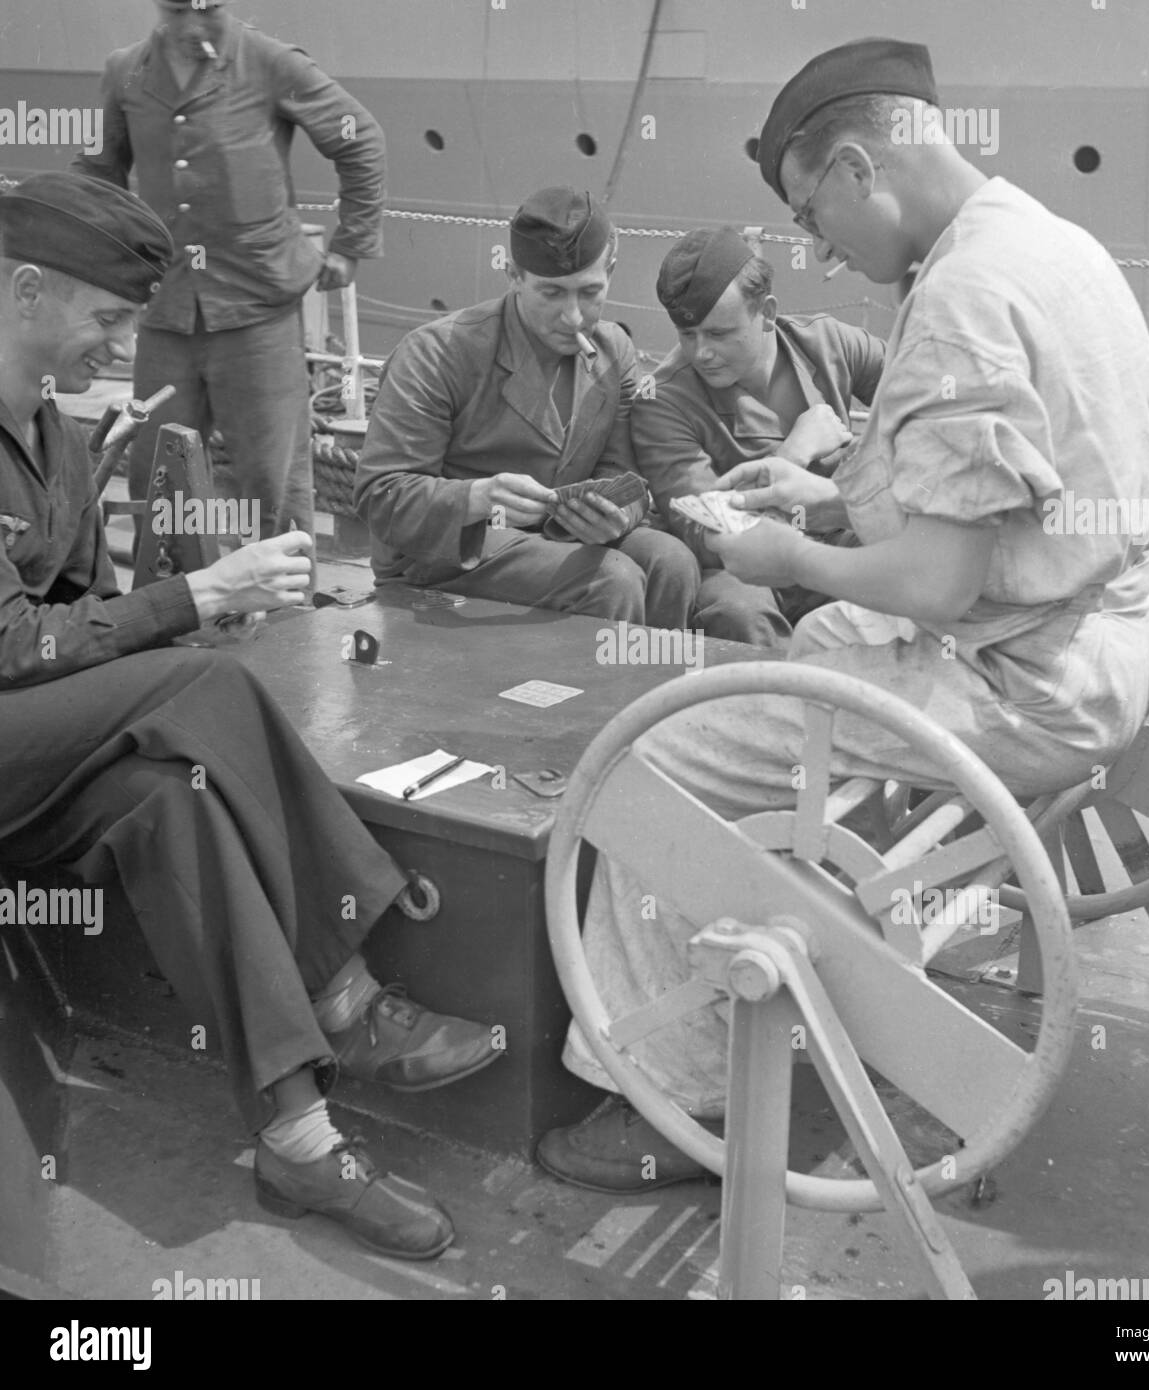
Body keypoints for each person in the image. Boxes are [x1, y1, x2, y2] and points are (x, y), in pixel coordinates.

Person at [536, 37, 1149, 1190]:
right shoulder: (1050, 244)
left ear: (851, 166)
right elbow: (1031, 490)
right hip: (1108, 643)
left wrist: (789, 550)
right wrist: (830, 495)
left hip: (1019, 687)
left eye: (812, 215)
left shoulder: (959, 299)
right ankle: (830, 920)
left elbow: (936, 583)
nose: (819, 250)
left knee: (653, 757)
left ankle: (659, 1098)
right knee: (821, 645)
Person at [0, 172, 494, 1260]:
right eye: (109, 318)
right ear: (28, 289)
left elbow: (75, 616)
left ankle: (298, 1135)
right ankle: (348, 990)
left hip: (31, 764)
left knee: (168, 797)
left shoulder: (55, 436)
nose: (123, 348)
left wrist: (172, 627)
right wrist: (197, 599)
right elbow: (11, 645)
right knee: (208, 691)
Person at [72, 0, 386, 556]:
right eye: (179, 10)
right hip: (168, 309)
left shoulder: (271, 63)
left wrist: (351, 245)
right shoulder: (126, 71)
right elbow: (99, 173)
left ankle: (287, 620)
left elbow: (359, 137)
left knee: (274, 484)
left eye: (207, 9)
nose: (194, 24)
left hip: (259, 308)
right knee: (155, 475)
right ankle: (167, 604)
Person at [353, 187, 698, 630]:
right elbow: (379, 496)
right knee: (610, 580)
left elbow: (620, 473)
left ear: (611, 271)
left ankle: (656, 696)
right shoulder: (436, 353)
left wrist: (615, 517)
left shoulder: (615, 352)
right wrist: (476, 497)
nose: (573, 316)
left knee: (672, 563)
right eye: (551, 294)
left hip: (552, 541)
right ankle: (599, 700)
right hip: (443, 556)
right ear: (513, 275)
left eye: (589, 292)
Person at [633, 226, 885, 646]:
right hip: (742, 571)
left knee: (913, 563)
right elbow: (706, 534)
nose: (701, 353)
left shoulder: (832, 344)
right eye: (686, 335)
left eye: (718, 333)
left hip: (834, 547)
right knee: (739, 613)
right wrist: (793, 454)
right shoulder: (663, 401)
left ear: (767, 312)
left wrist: (871, 453)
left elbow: (927, 412)